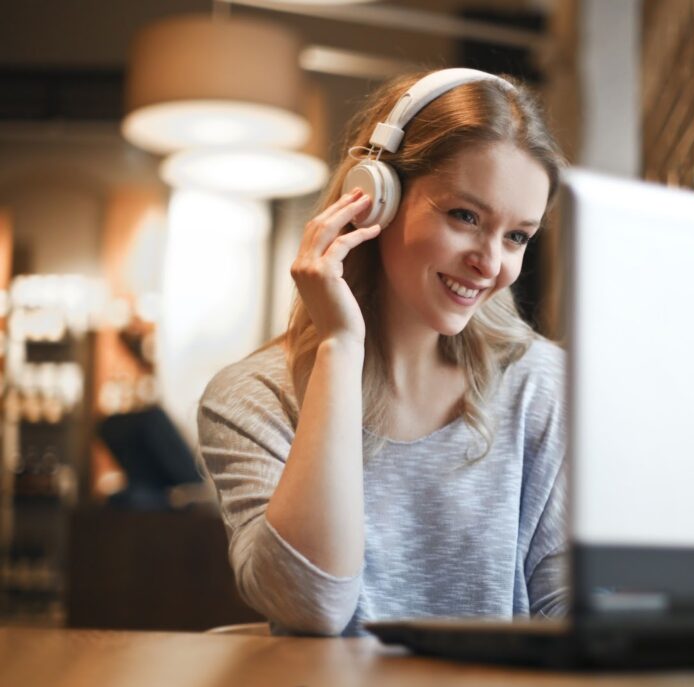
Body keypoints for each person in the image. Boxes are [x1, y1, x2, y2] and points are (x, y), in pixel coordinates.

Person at [196, 68, 568, 636]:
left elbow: (572, 612)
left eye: (517, 236)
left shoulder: (543, 386)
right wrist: (340, 348)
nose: (491, 264)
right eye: (465, 217)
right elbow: (310, 605)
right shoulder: (253, 398)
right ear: (372, 200)